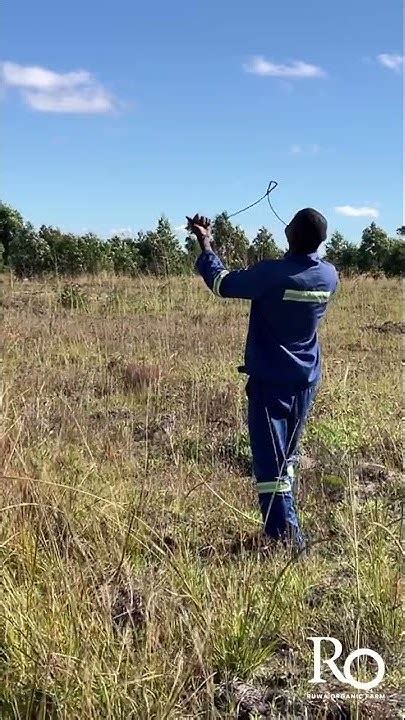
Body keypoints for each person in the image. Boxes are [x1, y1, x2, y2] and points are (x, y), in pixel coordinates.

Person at [187, 208, 339, 551]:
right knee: (286, 458)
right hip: (305, 379)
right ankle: (286, 529)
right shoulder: (329, 276)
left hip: (272, 381)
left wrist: (205, 243)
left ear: (291, 235)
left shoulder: (273, 274)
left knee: (271, 467)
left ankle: (285, 540)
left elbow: (221, 283)